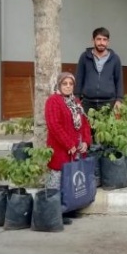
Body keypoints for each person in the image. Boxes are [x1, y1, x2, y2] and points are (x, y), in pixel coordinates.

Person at [45, 72, 92, 224]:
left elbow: (84, 123)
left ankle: (69, 208)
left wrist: (85, 141)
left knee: (71, 179)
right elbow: (54, 125)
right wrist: (69, 144)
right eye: (64, 84)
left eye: (70, 84)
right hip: (61, 149)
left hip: (76, 149)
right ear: (59, 85)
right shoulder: (53, 101)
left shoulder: (76, 101)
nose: (67, 86)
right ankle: (55, 212)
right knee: (58, 180)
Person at [74, 27, 123, 114]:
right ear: (93, 40)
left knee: (107, 128)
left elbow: (119, 80)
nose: (101, 43)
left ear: (108, 42)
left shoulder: (115, 58)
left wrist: (119, 100)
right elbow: (79, 78)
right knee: (87, 127)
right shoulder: (84, 57)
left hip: (108, 103)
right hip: (87, 103)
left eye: (105, 40)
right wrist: (76, 98)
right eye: (99, 39)